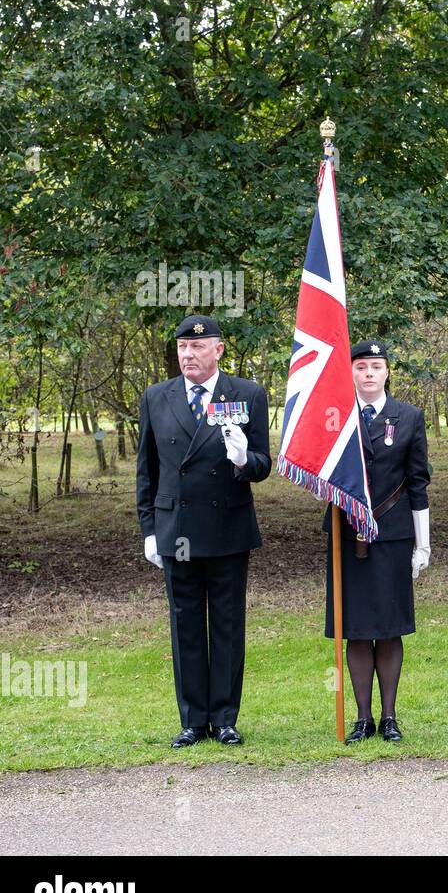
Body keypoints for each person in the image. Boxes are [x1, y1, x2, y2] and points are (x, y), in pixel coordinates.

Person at [136, 314, 271, 747]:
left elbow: (263, 465)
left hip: (227, 525)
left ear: (218, 350)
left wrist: (240, 458)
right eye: (182, 349)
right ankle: (193, 720)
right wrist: (149, 529)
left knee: (228, 625)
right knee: (186, 625)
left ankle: (225, 718)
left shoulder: (247, 394)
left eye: (197, 348)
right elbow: (147, 471)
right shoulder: (157, 397)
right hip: (176, 526)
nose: (188, 355)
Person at [324, 340, 432, 742]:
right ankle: (362, 717)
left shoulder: (408, 416)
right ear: (350, 372)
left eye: (376, 367)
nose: (368, 374)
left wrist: (423, 544)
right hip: (346, 534)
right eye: (361, 367)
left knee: (388, 627)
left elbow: (418, 482)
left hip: (392, 534)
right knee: (355, 628)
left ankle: (389, 716)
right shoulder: (334, 415)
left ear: (388, 372)